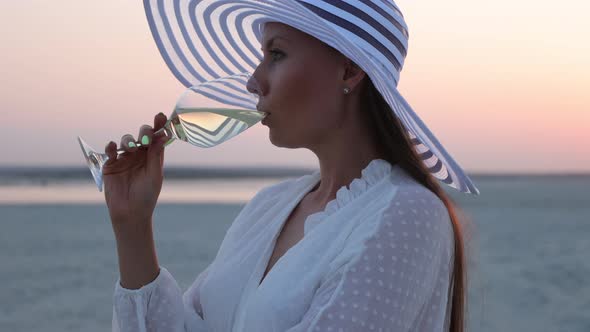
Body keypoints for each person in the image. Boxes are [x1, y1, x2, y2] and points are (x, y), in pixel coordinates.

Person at [105, 1, 479, 331]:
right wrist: (133, 225)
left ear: (349, 71)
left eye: (277, 54)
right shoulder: (268, 206)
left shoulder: (408, 216)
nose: (253, 81)